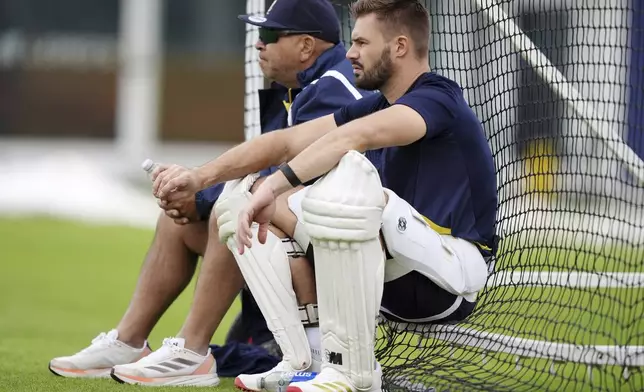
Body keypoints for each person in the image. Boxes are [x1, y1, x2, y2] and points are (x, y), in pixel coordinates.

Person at [153, 0, 499, 391]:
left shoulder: (439, 98)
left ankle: (354, 374)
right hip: (394, 276)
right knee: (237, 201)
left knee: (344, 194)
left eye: (361, 42)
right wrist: (200, 178)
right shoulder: (376, 104)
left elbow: (356, 137)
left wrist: (274, 185)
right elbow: (283, 142)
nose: (349, 52)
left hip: (452, 275)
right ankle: (305, 360)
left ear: (399, 46)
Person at [48, 0, 369, 386]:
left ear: (305, 46)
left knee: (231, 209)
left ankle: (192, 351)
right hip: (305, 234)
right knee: (185, 221)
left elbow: (292, 175)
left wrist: (201, 196)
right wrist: (193, 199)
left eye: (269, 34)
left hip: (343, 252)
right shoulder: (298, 88)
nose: (258, 44)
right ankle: (129, 341)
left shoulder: (332, 89)